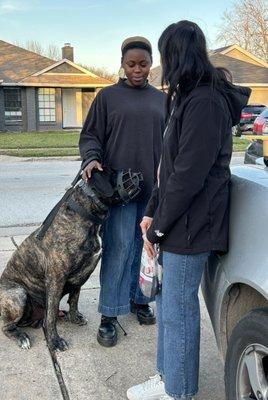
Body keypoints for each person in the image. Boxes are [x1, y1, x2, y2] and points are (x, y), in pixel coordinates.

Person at [127, 21, 251, 400]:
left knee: (179, 310)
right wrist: (152, 211)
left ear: (177, 54)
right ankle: (167, 379)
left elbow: (188, 177)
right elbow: (168, 167)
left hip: (193, 225)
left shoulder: (206, 101)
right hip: (176, 221)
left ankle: (179, 392)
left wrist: (157, 229)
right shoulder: (188, 96)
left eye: (165, 55)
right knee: (167, 304)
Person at [79, 36, 166, 347]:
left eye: (143, 64)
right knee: (118, 250)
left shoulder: (161, 100)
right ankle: (109, 314)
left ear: (151, 63)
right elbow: (90, 136)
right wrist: (91, 158)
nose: (137, 70)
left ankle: (139, 299)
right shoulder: (107, 97)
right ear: (122, 64)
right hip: (117, 190)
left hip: (152, 192)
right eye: (131, 64)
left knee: (144, 250)